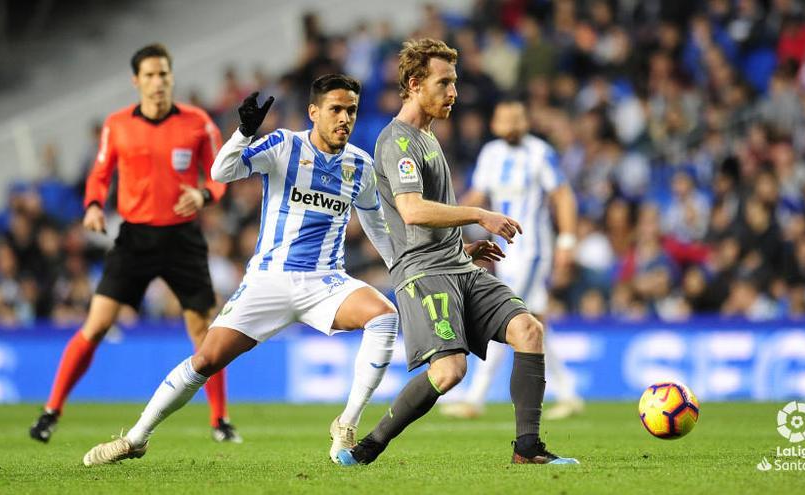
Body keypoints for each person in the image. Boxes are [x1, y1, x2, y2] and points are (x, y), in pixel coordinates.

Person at [82, 74, 400, 466]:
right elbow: (220, 173)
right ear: (313, 112)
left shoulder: (360, 165)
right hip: (269, 280)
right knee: (205, 361)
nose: (345, 118)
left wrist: (401, 267)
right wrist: (243, 133)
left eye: (351, 110)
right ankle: (135, 438)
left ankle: (346, 423)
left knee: (385, 316)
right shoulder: (284, 145)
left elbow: (377, 227)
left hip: (325, 282)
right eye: (336, 109)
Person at [336, 39, 578, 466]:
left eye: (455, 82)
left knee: (529, 330)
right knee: (449, 372)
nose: (454, 93)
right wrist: (480, 215)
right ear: (414, 84)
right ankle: (369, 446)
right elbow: (411, 211)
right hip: (423, 273)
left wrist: (461, 244)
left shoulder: (427, 137)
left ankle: (527, 449)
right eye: (444, 82)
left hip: (458, 263)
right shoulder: (399, 143)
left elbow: (417, 216)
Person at [29, 43, 240, 444]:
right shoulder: (117, 124)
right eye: (150, 75)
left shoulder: (198, 123)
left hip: (183, 238)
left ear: (171, 77)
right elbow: (100, 173)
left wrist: (204, 195)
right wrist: (92, 204)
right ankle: (51, 410)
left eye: (164, 74)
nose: (158, 82)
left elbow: (219, 174)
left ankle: (220, 420)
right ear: (136, 81)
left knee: (204, 331)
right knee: (96, 324)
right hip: (135, 238)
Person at [441, 99, 584, 421]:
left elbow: (562, 195)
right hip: (505, 253)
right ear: (495, 124)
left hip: (532, 249)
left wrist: (567, 240)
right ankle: (569, 393)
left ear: (526, 122)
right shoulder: (491, 154)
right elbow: (477, 198)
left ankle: (475, 398)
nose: (513, 125)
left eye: (518, 118)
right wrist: (447, 223)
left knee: (503, 315)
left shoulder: (539, 152)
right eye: (506, 119)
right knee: (533, 321)